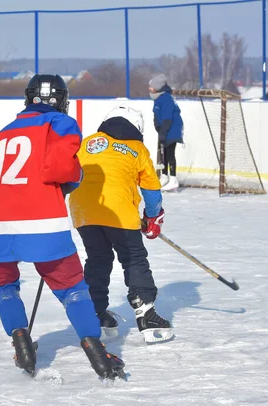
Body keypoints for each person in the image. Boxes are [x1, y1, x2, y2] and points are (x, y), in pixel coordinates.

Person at [0, 74, 125, 380]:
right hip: (43, 227)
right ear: (60, 100)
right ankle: (97, 353)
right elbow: (60, 169)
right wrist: (74, 180)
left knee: (2, 286)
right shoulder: (60, 122)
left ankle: (22, 343)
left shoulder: (4, 131)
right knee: (72, 288)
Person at [69, 105, 173, 344]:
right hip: (118, 212)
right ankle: (146, 312)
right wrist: (152, 216)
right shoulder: (137, 148)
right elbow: (151, 189)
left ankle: (95, 312)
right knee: (133, 257)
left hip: (83, 210)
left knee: (98, 258)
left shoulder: (87, 142)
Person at [149, 74, 184, 191]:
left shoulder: (167, 99)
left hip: (172, 129)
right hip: (164, 129)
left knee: (169, 153)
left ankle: (173, 179)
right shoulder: (157, 98)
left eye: (152, 86)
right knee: (163, 153)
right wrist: (157, 127)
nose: (149, 88)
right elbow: (156, 114)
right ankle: (164, 176)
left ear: (158, 87)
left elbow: (167, 118)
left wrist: (163, 133)